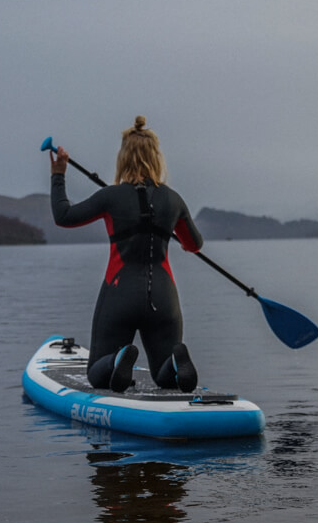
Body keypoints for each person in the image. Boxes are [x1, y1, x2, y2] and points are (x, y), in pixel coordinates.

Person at [50, 116, 203, 393]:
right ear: (157, 158)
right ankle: (176, 362)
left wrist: (58, 175)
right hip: (163, 297)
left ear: (123, 158)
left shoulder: (110, 197)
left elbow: (64, 216)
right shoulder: (173, 199)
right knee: (163, 377)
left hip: (119, 293)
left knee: (97, 373)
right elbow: (195, 244)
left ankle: (119, 359)